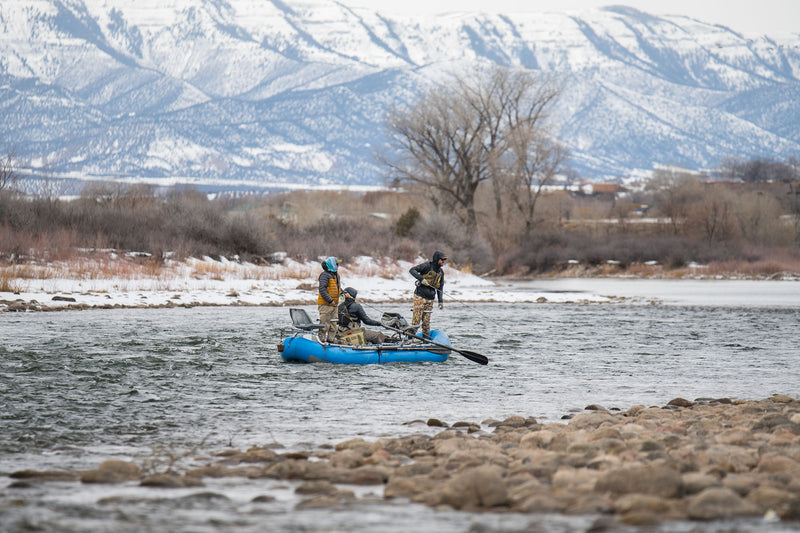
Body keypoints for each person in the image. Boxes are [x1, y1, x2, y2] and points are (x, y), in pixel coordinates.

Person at [409, 250, 447, 338]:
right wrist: (421, 279)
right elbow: (412, 270)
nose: (443, 262)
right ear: (437, 259)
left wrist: (440, 301)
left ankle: (425, 341)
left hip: (430, 299)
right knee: (416, 321)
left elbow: (440, 288)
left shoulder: (441, 272)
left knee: (426, 323)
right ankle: (409, 340)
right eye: (442, 260)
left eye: (444, 260)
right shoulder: (426, 266)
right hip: (420, 296)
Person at [317, 256, 341, 342]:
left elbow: (336, 288)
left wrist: (343, 293)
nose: (338, 266)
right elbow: (322, 289)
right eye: (337, 264)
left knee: (333, 325)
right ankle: (321, 341)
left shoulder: (336, 275)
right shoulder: (324, 275)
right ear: (332, 265)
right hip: (325, 305)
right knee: (324, 325)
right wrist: (330, 300)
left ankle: (331, 341)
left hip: (335, 305)